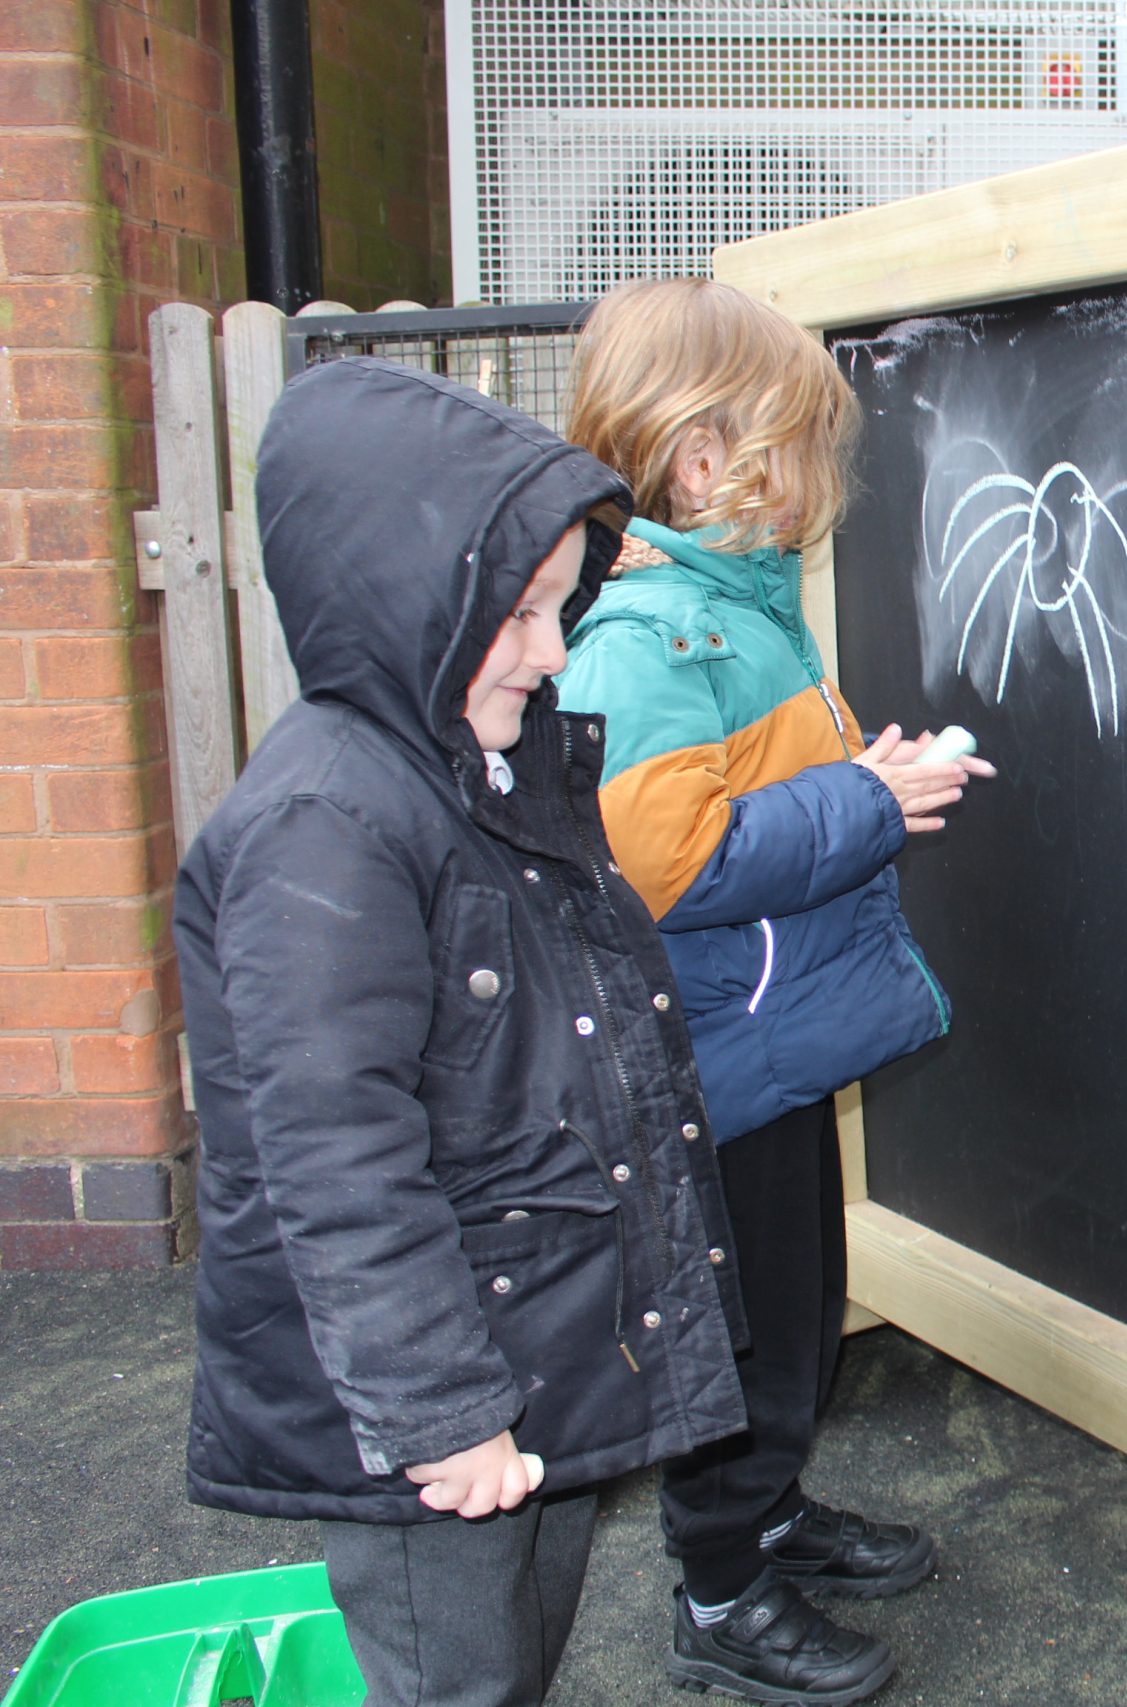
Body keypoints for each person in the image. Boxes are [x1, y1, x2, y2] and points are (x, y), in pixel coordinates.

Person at [178, 357, 752, 1707]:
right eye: (519, 615)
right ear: (404, 604)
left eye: (563, 606)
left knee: (519, 1657)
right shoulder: (328, 821)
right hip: (437, 1401)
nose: (555, 651)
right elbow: (331, 1154)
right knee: (458, 1682)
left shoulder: (491, 767)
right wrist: (443, 1413)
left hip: (531, 1349)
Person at [556, 277, 991, 1706]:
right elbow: (669, 860)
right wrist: (865, 803)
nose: (823, 479)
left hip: (770, 1048)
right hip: (711, 1064)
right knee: (731, 1320)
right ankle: (719, 1591)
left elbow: (758, 793)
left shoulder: (738, 614)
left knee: (801, 1301)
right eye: (801, 446)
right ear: (706, 462)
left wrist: (862, 778)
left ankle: (772, 1510)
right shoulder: (644, 637)